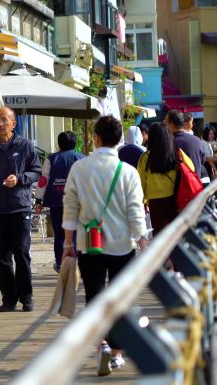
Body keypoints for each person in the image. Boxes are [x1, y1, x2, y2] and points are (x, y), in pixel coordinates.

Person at [62, 115, 149, 376]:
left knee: (94, 295)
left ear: (95, 138)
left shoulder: (79, 168)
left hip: (91, 243)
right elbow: (136, 212)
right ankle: (118, 352)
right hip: (123, 244)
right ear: (119, 140)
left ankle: (101, 345)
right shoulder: (128, 172)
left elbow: (70, 207)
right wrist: (143, 242)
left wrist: (67, 243)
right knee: (121, 299)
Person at [0, 107, 42, 312]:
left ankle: (26, 297)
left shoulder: (26, 145)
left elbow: (36, 171)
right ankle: (9, 299)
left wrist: (20, 179)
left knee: (21, 253)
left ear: (13, 123)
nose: (0, 123)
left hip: (19, 208)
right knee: (2, 257)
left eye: (4, 120)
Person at [35, 131, 84, 272]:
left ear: (59, 144)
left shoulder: (51, 159)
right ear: (74, 143)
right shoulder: (81, 158)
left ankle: (60, 262)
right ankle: (76, 261)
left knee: (59, 234)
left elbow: (43, 180)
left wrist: (39, 200)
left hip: (56, 202)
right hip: (77, 202)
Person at [137, 123, 195, 235]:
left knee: (160, 237)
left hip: (155, 203)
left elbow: (141, 182)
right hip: (176, 200)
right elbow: (191, 168)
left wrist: (143, 200)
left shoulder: (145, 158)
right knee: (177, 236)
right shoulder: (177, 153)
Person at [167, 110, 207, 185]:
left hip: (179, 190)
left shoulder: (170, 143)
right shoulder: (197, 140)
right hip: (196, 187)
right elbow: (202, 161)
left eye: (166, 123)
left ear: (171, 125)